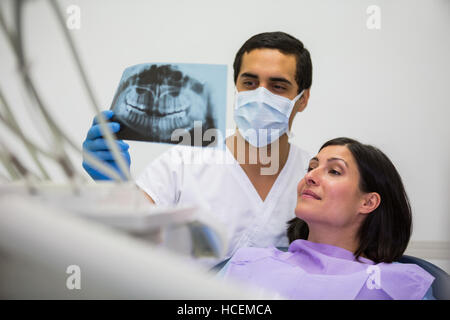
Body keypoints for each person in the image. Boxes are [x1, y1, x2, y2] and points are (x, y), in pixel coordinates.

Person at [82, 32, 313, 264]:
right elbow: (131, 238)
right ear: (236, 88)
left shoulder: (313, 178)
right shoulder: (182, 161)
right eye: (249, 83)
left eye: (278, 86)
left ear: (302, 99)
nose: (260, 95)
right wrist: (114, 184)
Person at [220, 137, 435, 300]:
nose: (309, 176)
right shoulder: (247, 263)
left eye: (333, 171)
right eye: (311, 167)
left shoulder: (400, 286)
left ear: (368, 203)